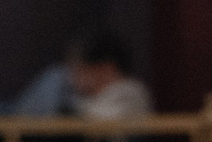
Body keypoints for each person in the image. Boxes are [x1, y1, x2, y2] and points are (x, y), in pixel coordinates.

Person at [8, 28, 154, 121]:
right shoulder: (73, 88)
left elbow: (99, 120)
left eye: (79, 68)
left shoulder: (130, 91)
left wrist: (65, 103)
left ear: (106, 69)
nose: (72, 75)